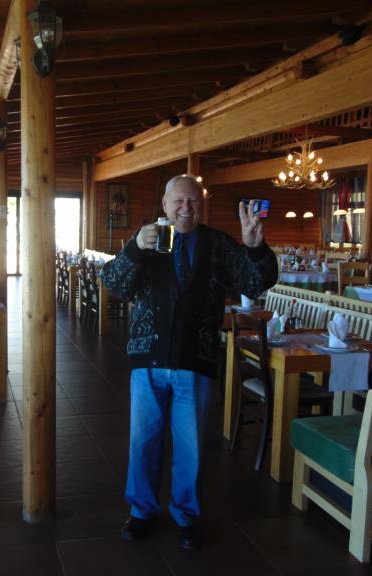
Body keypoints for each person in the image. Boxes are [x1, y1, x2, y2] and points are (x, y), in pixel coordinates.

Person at [100, 174, 278, 550]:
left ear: (202, 205)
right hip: (148, 359)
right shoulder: (147, 240)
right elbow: (115, 284)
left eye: (193, 201)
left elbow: (254, 284)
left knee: (190, 447)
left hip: (195, 359)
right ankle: (141, 511)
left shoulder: (218, 244)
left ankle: (185, 515)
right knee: (143, 442)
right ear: (165, 205)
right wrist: (135, 248)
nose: (186, 208)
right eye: (178, 201)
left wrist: (254, 247)